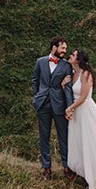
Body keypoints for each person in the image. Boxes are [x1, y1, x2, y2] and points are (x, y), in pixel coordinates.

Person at [65, 48, 96, 189]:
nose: (70, 56)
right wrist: (63, 85)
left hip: (86, 111)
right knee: (78, 142)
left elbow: (83, 96)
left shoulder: (86, 74)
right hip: (77, 112)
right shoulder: (74, 73)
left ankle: (93, 177)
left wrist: (70, 108)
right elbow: (72, 92)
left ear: (78, 60)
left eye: (72, 55)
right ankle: (82, 173)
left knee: (89, 142)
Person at [32, 38, 72, 179]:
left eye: (65, 49)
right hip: (42, 104)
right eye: (62, 48)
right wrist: (36, 97)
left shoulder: (66, 65)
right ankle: (46, 168)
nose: (64, 51)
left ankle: (67, 167)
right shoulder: (40, 62)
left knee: (64, 137)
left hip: (59, 105)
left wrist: (69, 107)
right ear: (54, 47)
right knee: (44, 137)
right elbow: (35, 80)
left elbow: (68, 88)